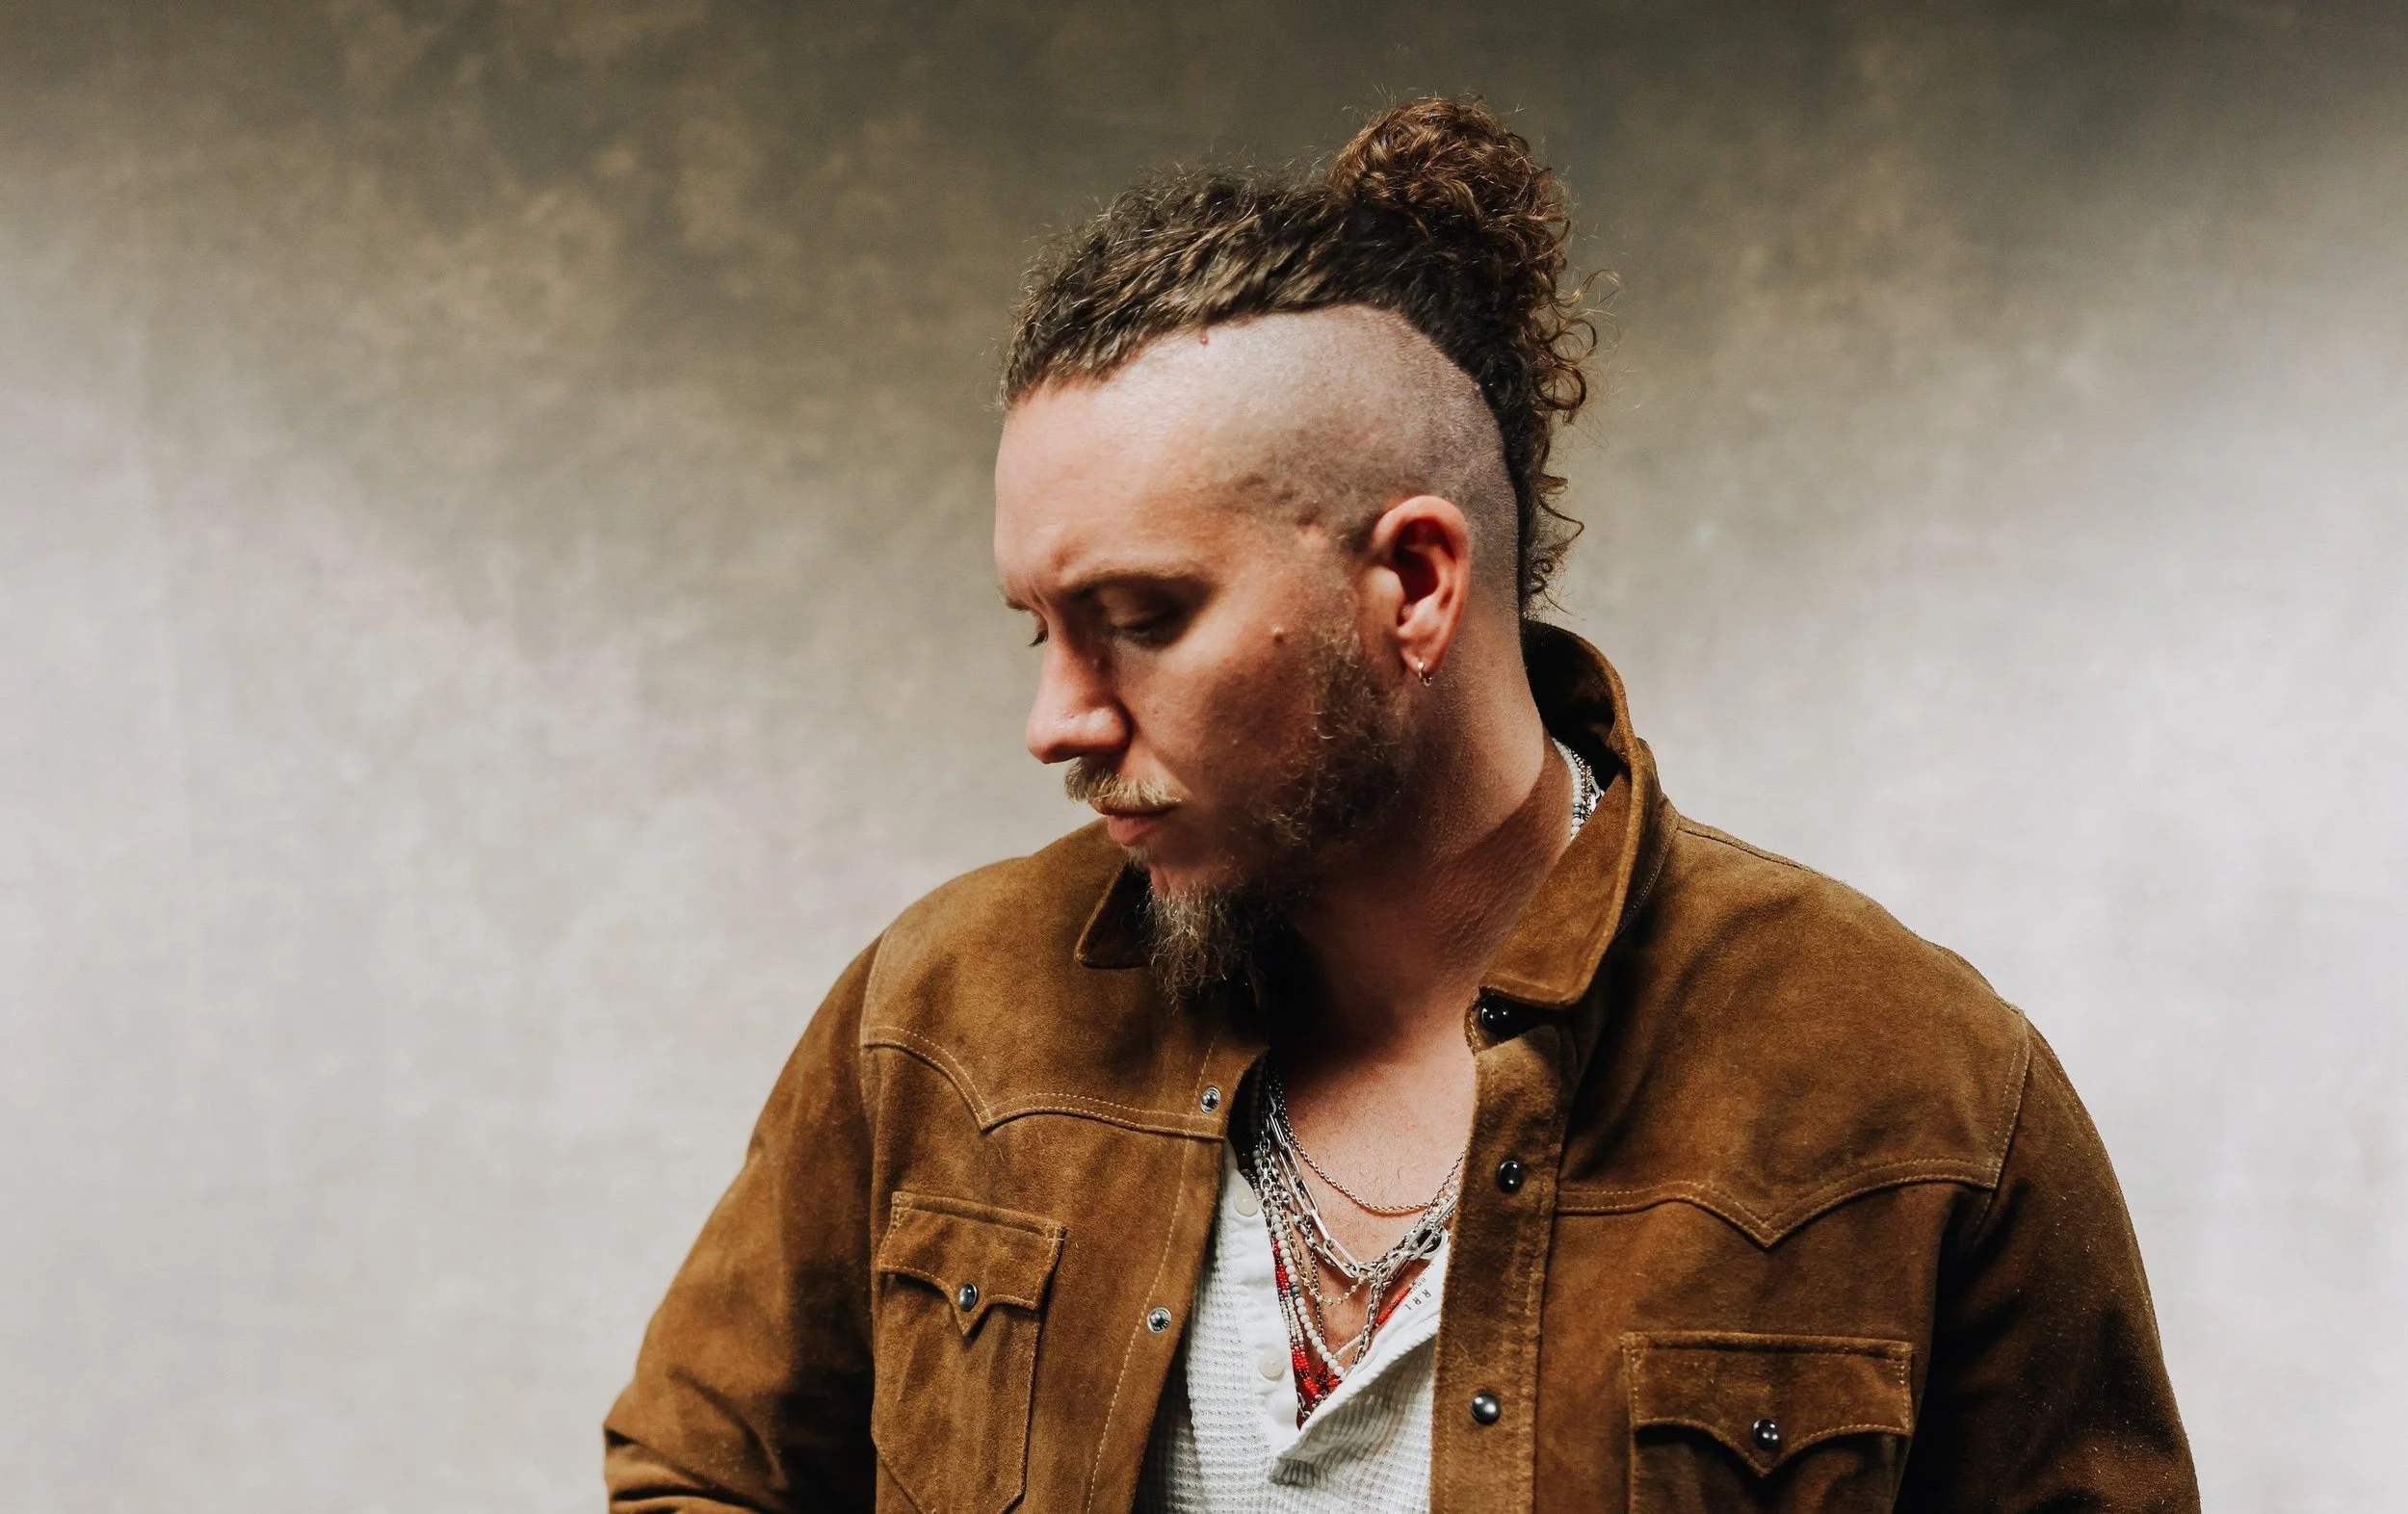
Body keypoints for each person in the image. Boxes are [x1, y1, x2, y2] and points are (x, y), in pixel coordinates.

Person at [604, 97, 2198, 1514]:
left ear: (1417, 584)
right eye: (1042, 629)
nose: (1057, 721)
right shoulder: (942, 1018)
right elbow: (700, 1475)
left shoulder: (1912, 1086)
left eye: (1143, 618)